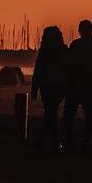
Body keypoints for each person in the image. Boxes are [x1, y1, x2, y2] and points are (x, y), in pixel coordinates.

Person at [64, 19, 92, 152]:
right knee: (89, 114)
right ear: (91, 30)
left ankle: (70, 140)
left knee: (70, 113)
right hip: (91, 84)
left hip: (75, 84)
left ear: (80, 30)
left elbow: (68, 64)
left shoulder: (75, 45)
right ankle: (86, 140)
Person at [29, 26, 70, 154]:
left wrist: (34, 88)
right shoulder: (63, 50)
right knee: (51, 113)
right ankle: (53, 142)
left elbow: (38, 71)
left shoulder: (44, 52)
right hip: (59, 86)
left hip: (47, 86)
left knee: (50, 112)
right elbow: (70, 68)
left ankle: (46, 142)